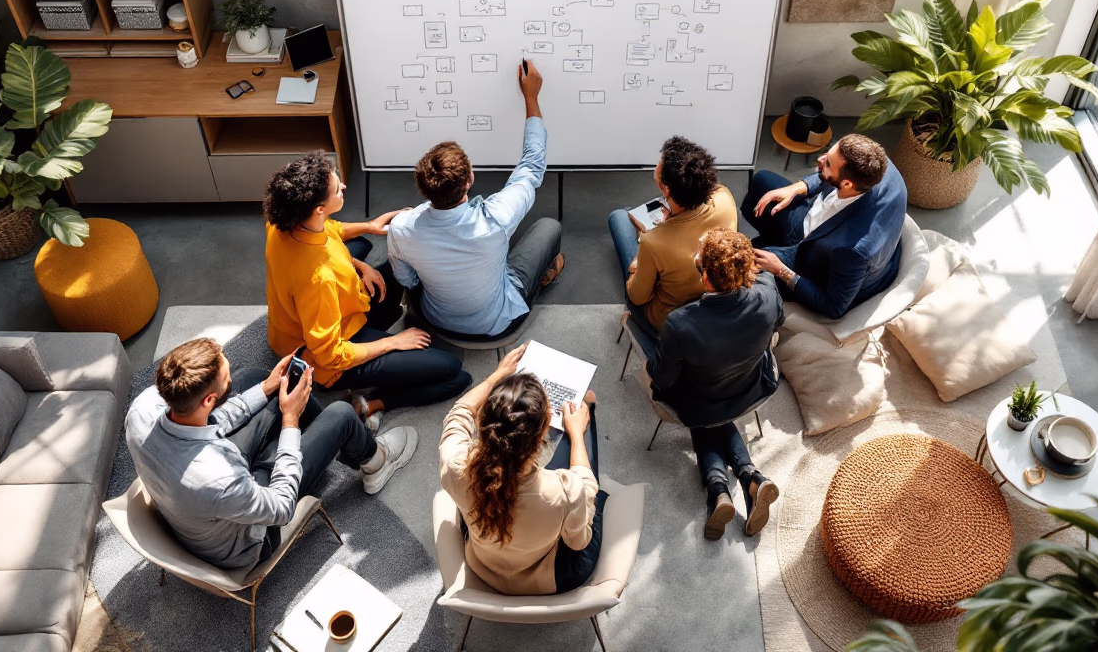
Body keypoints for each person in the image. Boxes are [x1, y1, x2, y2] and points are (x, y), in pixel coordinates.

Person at [124, 338, 417, 571]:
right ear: (209, 400)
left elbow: (209, 423)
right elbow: (280, 508)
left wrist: (266, 388)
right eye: (224, 380)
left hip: (197, 492)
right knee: (339, 413)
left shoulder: (143, 407)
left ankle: (334, 436)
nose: (229, 377)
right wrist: (290, 421)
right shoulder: (220, 478)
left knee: (255, 379)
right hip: (249, 540)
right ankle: (374, 460)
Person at [265, 152, 471, 431]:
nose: (344, 187)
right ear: (319, 209)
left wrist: (367, 237)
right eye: (337, 188)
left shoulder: (281, 223)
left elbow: (328, 233)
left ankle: (378, 311)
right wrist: (393, 343)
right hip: (326, 361)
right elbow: (330, 355)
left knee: (371, 251)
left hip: (327, 313)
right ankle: (373, 403)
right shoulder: (320, 280)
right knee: (454, 372)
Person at [386, 60, 564, 339]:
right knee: (549, 228)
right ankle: (538, 282)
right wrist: (531, 97)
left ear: (424, 189)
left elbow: (407, 280)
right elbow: (531, 168)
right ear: (470, 178)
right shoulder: (497, 217)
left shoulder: (401, 228)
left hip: (436, 319)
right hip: (497, 323)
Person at [645, 228, 783, 540]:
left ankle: (718, 488)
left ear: (706, 279)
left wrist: (652, 358)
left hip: (702, 401)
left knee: (705, 413)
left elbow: (662, 376)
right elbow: (779, 324)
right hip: (750, 387)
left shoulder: (681, 323)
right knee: (714, 413)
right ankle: (747, 477)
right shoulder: (768, 290)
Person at [439, 344, 604, 596]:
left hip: (483, 564)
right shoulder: (564, 491)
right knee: (594, 495)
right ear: (541, 434)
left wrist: (496, 376)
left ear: (482, 423)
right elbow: (578, 541)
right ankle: (581, 425)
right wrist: (576, 434)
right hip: (546, 576)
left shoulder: (455, 464)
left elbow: (459, 412)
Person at [741, 133, 907, 319]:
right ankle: (773, 240)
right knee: (762, 181)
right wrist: (799, 187)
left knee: (744, 264)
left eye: (827, 163)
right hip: (814, 227)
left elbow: (833, 307)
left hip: (821, 264)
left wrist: (782, 270)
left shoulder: (854, 252)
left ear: (846, 184)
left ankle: (774, 249)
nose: (820, 159)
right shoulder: (875, 164)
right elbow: (829, 176)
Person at [607, 136, 738, 345]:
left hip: (667, 321)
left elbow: (638, 297)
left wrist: (638, 262)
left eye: (660, 163)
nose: (657, 165)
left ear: (666, 189)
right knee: (629, 215)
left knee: (619, 217)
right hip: (710, 309)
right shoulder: (724, 197)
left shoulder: (653, 242)